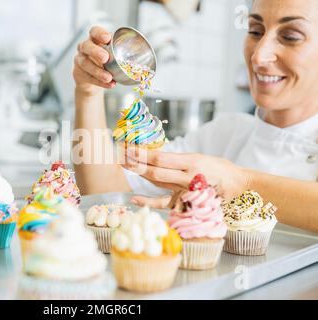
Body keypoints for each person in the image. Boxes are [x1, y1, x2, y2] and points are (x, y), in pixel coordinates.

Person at [72, 0, 318, 232]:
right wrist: (88, 93)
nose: (258, 56)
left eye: (290, 37)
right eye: (255, 31)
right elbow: (104, 190)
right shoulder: (225, 133)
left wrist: (238, 184)